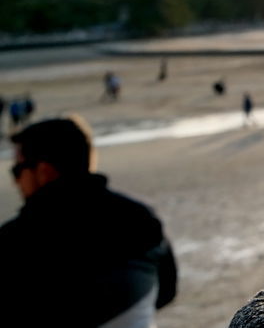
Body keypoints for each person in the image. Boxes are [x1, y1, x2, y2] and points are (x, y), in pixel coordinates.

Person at [0, 117, 177, 327]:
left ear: (44, 171)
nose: (15, 180)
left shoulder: (16, 240)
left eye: (17, 170)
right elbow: (166, 291)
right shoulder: (140, 218)